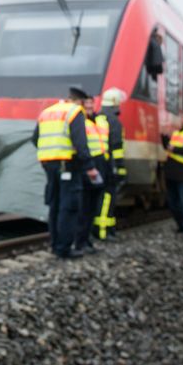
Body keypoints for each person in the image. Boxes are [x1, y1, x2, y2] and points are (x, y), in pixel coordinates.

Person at [32, 85, 99, 259]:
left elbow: (34, 138)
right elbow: (80, 142)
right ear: (80, 101)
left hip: (48, 163)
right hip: (67, 164)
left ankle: (55, 245)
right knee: (68, 207)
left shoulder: (47, 112)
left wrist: (48, 154)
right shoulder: (75, 112)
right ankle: (64, 248)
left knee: (54, 204)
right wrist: (89, 166)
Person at [75, 101, 109, 253]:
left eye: (91, 104)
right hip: (87, 166)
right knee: (84, 206)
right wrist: (88, 167)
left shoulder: (96, 122)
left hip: (98, 165)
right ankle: (80, 241)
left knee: (92, 206)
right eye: (86, 105)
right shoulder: (81, 122)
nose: (89, 107)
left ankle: (86, 240)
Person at [93, 88, 126, 240]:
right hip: (109, 164)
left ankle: (105, 229)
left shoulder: (98, 117)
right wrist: (120, 168)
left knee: (98, 196)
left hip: (96, 162)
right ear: (115, 103)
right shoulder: (114, 121)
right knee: (108, 197)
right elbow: (117, 146)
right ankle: (104, 231)